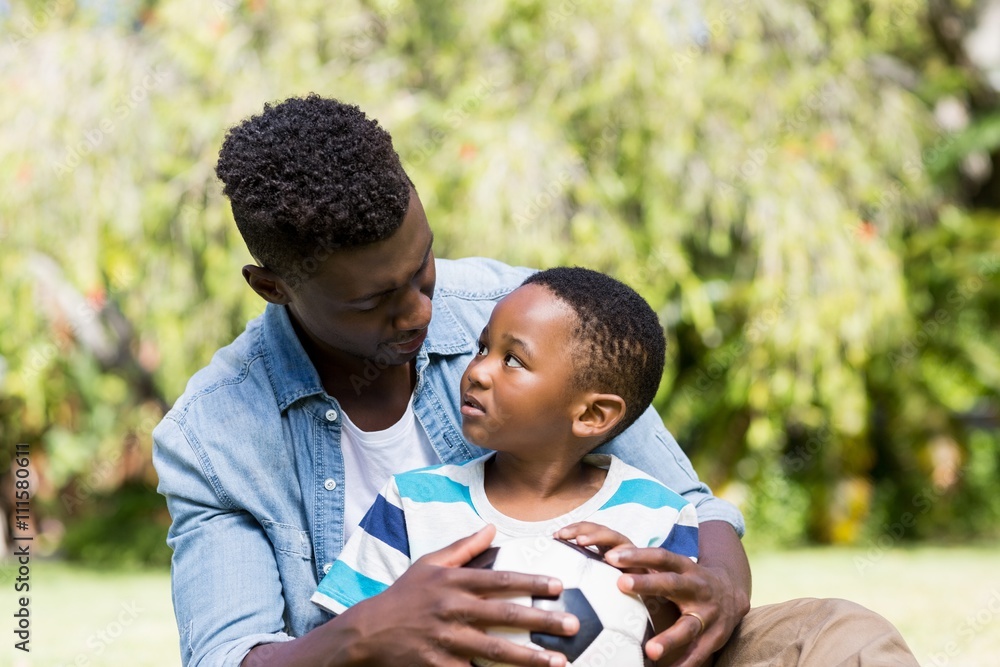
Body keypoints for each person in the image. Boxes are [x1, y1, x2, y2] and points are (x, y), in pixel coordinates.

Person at [152, 94, 918, 667]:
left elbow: (692, 509)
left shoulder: (527, 314)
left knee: (843, 641)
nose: (421, 309)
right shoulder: (215, 433)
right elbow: (227, 655)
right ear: (273, 286)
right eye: (377, 300)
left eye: (423, 265)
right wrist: (371, 630)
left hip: (628, 649)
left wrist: (718, 585)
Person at [312, 267, 701, 657]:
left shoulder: (660, 517)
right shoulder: (411, 504)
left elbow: (685, 650)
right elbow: (352, 640)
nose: (477, 371)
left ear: (591, 415)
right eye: (483, 348)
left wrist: (653, 603)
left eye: (513, 360)